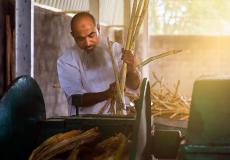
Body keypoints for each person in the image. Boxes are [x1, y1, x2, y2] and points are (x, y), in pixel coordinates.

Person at [57, 12, 140, 115]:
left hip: (120, 118)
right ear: (73, 35)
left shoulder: (116, 50)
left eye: (91, 35)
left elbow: (134, 86)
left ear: (98, 28)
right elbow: (76, 99)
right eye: (80, 38)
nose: (87, 43)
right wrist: (106, 94)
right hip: (87, 123)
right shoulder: (67, 60)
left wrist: (132, 69)